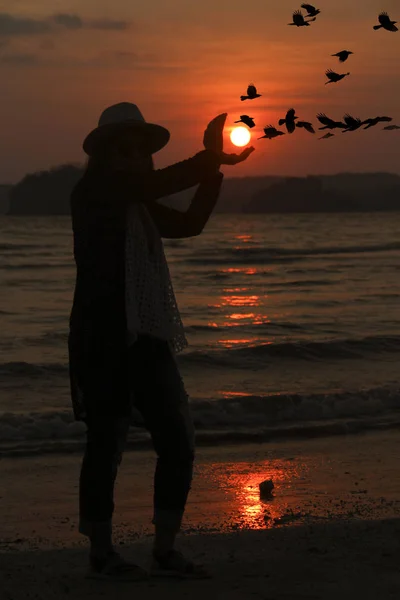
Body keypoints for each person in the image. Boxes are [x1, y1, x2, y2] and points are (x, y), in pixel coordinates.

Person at [68, 102, 254, 580]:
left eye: (140, 151)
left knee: (178, 440)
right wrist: (209, 157)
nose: (134, 157)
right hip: (102, 339)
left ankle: (165, 548)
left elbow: (189, 223)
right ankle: (102, 552)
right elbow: (155, 185)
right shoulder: (93, 192)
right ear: (105, 155)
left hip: (148, 335)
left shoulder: (139, 200)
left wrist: (213, 172)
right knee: (106, 443)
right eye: (124, 149)